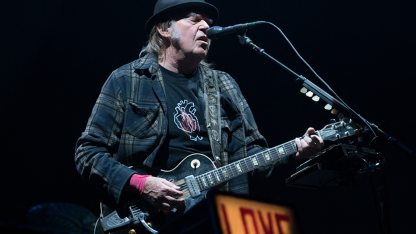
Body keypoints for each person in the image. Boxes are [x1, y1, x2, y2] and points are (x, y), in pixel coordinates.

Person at [74, 0, 324, 233]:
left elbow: (253, 160)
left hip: (214, 220)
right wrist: (142, 184)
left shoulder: (223, 85)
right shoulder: (126, 80)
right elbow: (88, 153)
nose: (206, 27)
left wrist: (296, 152)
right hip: (144, 221)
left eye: (208, 23)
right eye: (195, 20)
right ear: (163, 28)